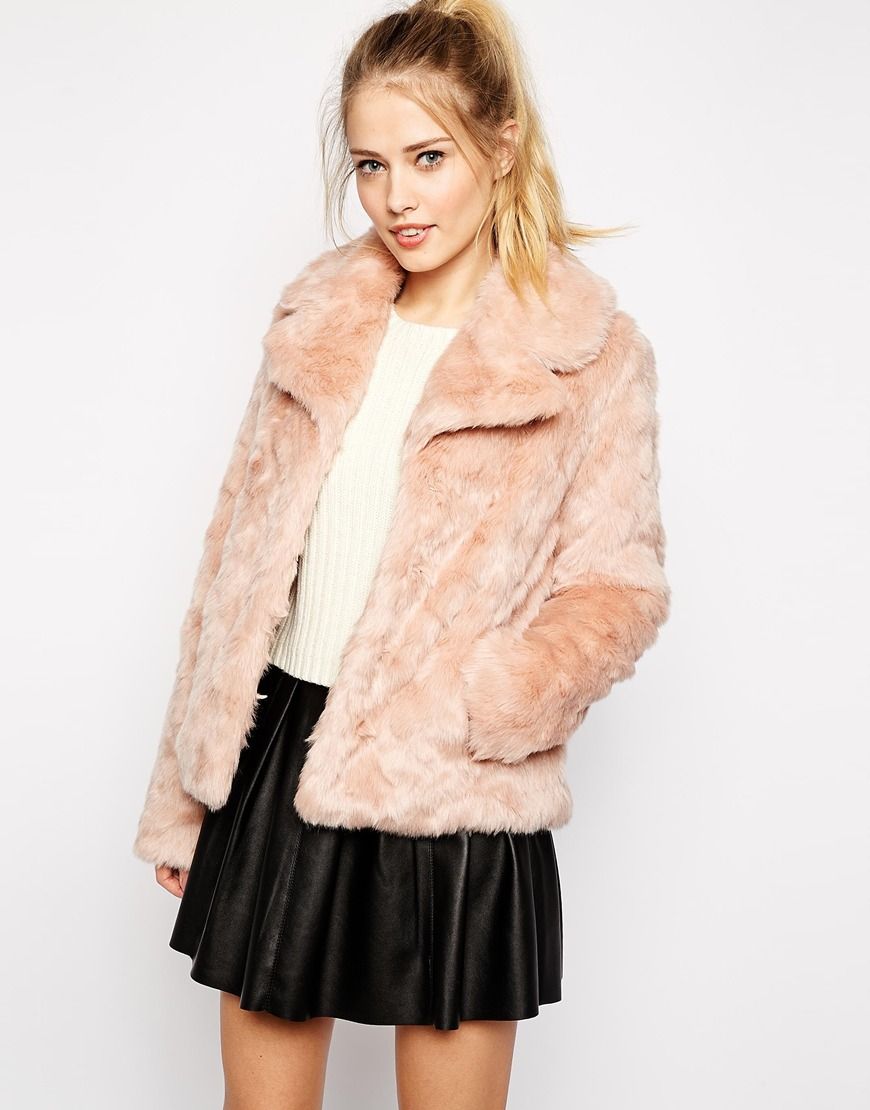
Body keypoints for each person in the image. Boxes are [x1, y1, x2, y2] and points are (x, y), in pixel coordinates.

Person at [132, 0, 671, 1106]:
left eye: (428, 158)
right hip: (281, 759)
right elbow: (236, 566)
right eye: (372, 166)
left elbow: (619, 585)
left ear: (501, 146)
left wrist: (496, 702)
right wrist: (184, 793)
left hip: (452, 781)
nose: (397, 198)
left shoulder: (591, 353)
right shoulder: (317, 322)